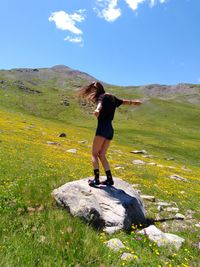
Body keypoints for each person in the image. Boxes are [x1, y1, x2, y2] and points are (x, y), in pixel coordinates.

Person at [78, 81, 142, 186]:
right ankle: (109, 179)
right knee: (102, 154)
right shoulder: (112, 97)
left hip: (102, 129)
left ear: (96, 90)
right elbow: (124, 102)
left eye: (93, 91)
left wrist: (97, 110)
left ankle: (96, 179)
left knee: (94, 154)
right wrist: (134, 102)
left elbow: (100, 105)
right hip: (110, 130)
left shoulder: (102, 97)